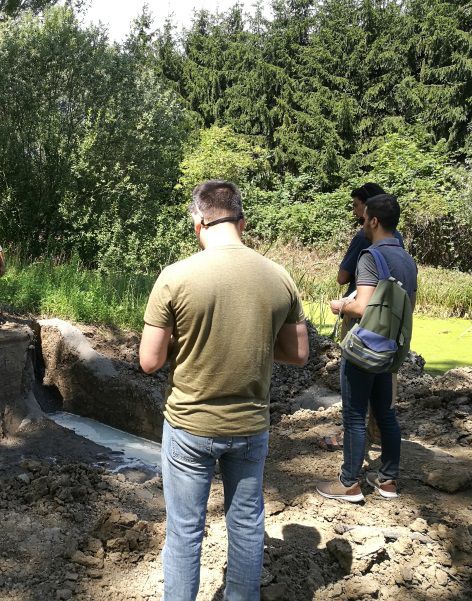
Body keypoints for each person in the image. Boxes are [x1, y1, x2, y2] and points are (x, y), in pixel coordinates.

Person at [139, 180, 309, 601]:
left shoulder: (175, 277)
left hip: (189, 426)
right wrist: (251, 337)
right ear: (242, 221)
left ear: (198, 222)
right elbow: (299, 353)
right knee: (248, 526)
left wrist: (189, 340)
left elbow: (149, 361)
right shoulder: (279, 276)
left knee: (184, 532)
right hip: (251, 425)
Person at [317, 194, 417, 503]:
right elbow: (408, 306)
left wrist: (339, 305)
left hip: (364, 350)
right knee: (386, 414)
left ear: (373, 221)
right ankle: (387, 481)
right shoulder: (407, 259)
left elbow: (362, 306)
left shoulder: (371, 256)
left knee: (355, 416)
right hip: (391, 349)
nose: (361, 223)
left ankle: (349, 483)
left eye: (363, 219)